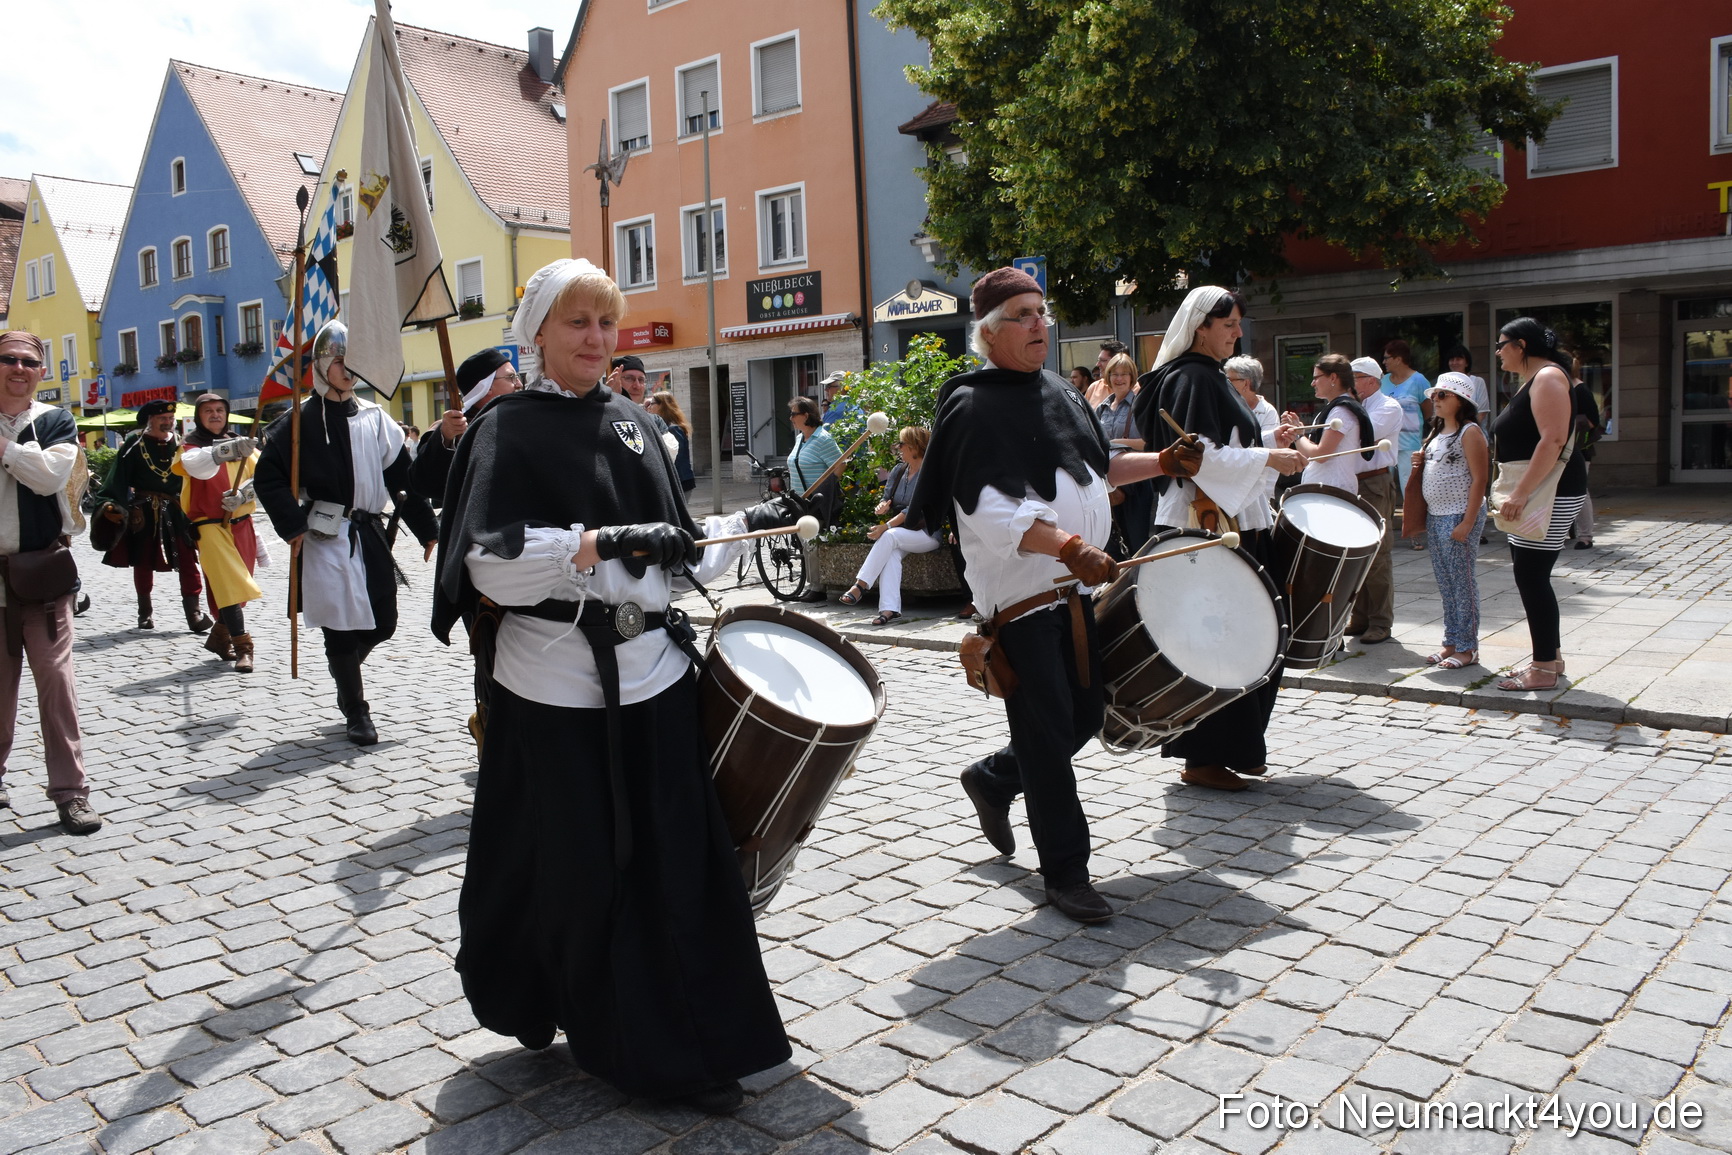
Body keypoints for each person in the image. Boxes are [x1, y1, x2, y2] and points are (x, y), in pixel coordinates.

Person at [431, 257, 788, 1113]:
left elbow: (678, 546)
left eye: (606, 322)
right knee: (587, 868)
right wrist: (592, 544)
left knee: (677, 862)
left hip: (654, 678)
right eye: (578, 323)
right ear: (539, 332)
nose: (597, 339)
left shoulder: (636, 421)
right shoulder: (505, 430)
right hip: (555, 690)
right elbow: (490, 566)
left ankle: (697, 1036)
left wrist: (745, 528)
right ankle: (624, 1039)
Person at [911, 266, 1204, 923]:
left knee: (1081, 719)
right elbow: (987, 512)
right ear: (988, 332)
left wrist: (1162, 462)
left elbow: (1095, 469)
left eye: (1041, 311)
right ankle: (1066, 871)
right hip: (1022, 604)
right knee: (1048, 736)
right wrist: (1070, 547)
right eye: (1023, 314)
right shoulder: (969, 404)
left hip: (1076, 594)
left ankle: (991, 777)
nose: (1039, 323)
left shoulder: (1058, 393)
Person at [1138, 288, 1305, 792]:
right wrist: (1266, 460)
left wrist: (1268, 447)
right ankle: (1204, 757)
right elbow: (1196, 459)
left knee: (1252, 636)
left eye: (1237, 323)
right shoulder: (1190, 376)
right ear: (1200, 327)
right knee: (1221, 640)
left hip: (1233, 522)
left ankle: (1238, 747)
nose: (1236, 331)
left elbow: (1227, 447)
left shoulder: (1210, 376)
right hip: (1206, 526)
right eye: (1227, 323)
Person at [254, 321, 439, 744]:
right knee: (339, 624)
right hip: (325, 537)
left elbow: (402, 480)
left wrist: (427, 529)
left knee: (384, 621)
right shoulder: (299, 421)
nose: (347, 368)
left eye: (351, 360)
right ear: (320, 365)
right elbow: (268, 479)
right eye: (338, 360)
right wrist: (293, 525)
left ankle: (344, 668)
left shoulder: (375, 418)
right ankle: (356, 710)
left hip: (369, 532)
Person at [0, 330, 99, 833]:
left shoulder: (55, 420)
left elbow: (49, 479)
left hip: (43, 574)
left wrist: (5, 451)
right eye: (8, 359)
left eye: (29, 362)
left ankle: (71, 792)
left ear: (41, 371)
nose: (18, 368)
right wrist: (22, 458)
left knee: (57, 687)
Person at [1491, 317, 1585, 692]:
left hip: (1549, 491)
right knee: (1531, 575)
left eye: (1502, 345)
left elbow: (1553, 440)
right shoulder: (1538, 379)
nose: (1498, 352)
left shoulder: (1547, 378)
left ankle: (1544, 667)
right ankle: (1551, 658)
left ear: (1521, 346)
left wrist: (1520, 494)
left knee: (1531, 577)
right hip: (1542, 489)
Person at [95, 399, 212, 633]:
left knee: (189, 560)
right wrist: (109, 503)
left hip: (177, 510)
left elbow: (199, 477)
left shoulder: (182, 445)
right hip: (144, 511)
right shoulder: (134, 444)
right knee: (143, 561)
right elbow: (116, 478)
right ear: (151, 420)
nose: (168, 423)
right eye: (163, 419)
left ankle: (194, 613)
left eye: (171, 419)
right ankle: (144, 613)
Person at [173, 394, 262, 673]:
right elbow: (194, 464)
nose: (215, 415)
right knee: (229, 584)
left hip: (241, 523)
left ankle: (219, 638)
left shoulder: (243, 443)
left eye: (220, 410)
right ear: (199, 416)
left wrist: (245, 494)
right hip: (209, 524)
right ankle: (243, 648)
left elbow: (263, 477)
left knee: (238, 587)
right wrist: (223, 450)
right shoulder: (190, 446)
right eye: (209, 411)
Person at [1415, 373, 1489, 670]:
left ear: (1461, 401)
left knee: (1462, 583)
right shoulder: (1436, 433)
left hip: (1458, 513)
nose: (1436, 400)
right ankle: (1451, 642)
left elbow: (1480, 478)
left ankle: (1468, 648)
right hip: (1436, 515)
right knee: (1446, 583)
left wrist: (1468, 522)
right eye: (1434, 395)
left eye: (1443, 395)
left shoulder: (1469, 432)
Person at [836, 426, 940, 626]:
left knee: (889, 536)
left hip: (926, 533)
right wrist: (883, 506)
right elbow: (887, 498)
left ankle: (860, 585)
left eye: (902, 444)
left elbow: (914, 509)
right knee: (891, 554)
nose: (898, 448)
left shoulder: (930, 474)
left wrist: (886, 525)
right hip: (903, 532)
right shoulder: (899, 470)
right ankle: (889, 609)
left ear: (914, 446)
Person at [410, 349, 523, 503]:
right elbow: (424, 484)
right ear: (486, 386)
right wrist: (447, 438)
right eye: (511, 377)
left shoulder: (520, 422)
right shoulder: (447, 430)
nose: (519, 384)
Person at [1343, 355, 1404, 643]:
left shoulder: (1388, 406)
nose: (1350, 383)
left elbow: (1361, 436)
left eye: (1354, 378)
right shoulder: (1353, 406)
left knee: (1377, 553)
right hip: (1353, 480)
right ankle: (1361, 616)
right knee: (1355, 550)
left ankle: (1381, 621)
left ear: (1371, 380)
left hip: (1375, 481)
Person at [786, 395, 841, 602]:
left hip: (816, 501)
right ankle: (812, 584)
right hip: (800, 501)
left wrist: (825, 488)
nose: (791, 418)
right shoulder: (801, 438)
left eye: (793, 414)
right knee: (806, 544)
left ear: (806, 415)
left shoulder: (822, 439)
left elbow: (839, 465)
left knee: (812, 544)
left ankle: (818, 588)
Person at [1096, 353, 1152, 556]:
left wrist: (1114, 444)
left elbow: (1148, 445)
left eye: (1124, 374)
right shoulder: (1101, 409)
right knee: (1111, 544)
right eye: (1115, 374)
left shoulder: (1140, 405)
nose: (1119, 379)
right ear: (1108, 376)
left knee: (1137, 543)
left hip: (1136, 482)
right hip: (1110, 483)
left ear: (1132, 377)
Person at [1380, 339, 1431, 491]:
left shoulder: (1419, 380)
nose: (1383, 362)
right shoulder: (1383, 381)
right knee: (1383, 488)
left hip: (1409, 444)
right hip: (1385, 444)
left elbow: (1428, 410)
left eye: (1386, 358)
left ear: (1398, 359)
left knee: (1409, 488)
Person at [1568, 357, 1603, 549]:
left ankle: (1586, 535)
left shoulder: (1580, 389)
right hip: (1565, 448)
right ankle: (1571, 531)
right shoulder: (1565, 388)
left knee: (1580, 492)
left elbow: (1593, 420)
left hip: (1580, 448)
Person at [645, 390, 696, 493]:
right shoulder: (665, 426)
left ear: (662, 406)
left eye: (652, 403)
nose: (649, 407)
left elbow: (676, 457)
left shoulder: (673, 429)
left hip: (680, 481)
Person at [1445, 345, 1491, 426]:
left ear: (1466, 363)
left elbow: (1482, 412)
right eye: (1452, 360)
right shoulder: (1444, 384)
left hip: (1474, 432)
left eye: (1458, 359)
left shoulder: (1477, 382)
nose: (1454, 362)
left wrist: (1468, 430)